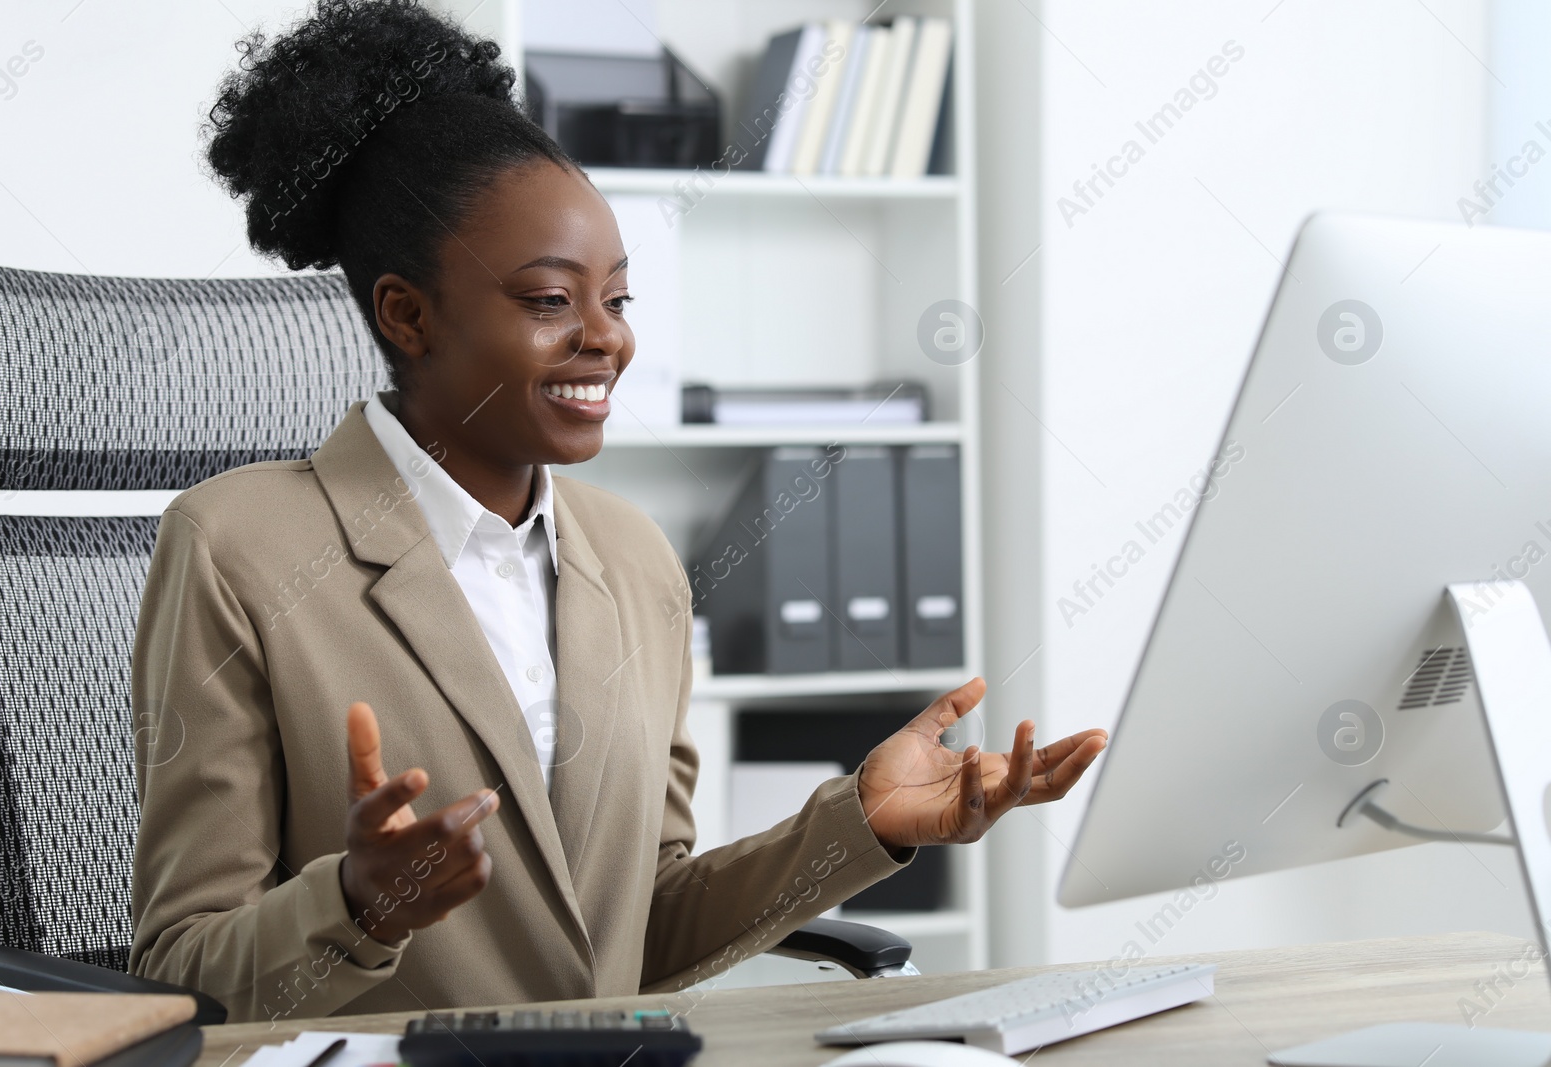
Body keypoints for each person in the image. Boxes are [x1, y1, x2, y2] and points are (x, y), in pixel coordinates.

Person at [128, 0, 1108, 1024]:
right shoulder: (236, 547)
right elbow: (182, 971)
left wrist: (856, 821)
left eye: (618, 300)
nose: (605, 340)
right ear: (407, 315)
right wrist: (359, 903)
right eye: (550, 300)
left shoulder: (632, 557)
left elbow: (643, 925)